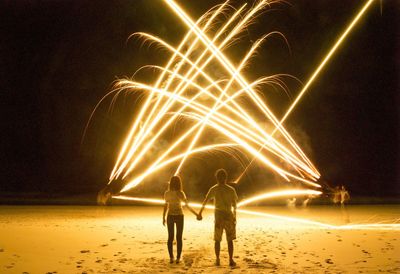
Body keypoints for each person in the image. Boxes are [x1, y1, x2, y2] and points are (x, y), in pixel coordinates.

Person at [198, 168, 238, 267]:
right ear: (225, 178)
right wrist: (234, 216)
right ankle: (230, 260)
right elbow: (234, 205)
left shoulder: (214, 188)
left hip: (220, 216)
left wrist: (200, 213)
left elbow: (205, 201)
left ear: (217, 178)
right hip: (228, 216)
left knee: (218, 240)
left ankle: (218, 259)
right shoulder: (230, 189)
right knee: (229, 240)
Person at [162, 175, 198, 264]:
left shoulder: (167, 193)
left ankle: (172, 257)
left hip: (171, 215)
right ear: (179, 183)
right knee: (178, 237)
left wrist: (163, 217)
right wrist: (196, 214)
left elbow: (165, 206)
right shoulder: (180, 193)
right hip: (179, 216)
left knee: (171, 237)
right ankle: (177, 258)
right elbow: (187, 205)